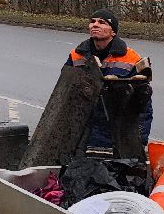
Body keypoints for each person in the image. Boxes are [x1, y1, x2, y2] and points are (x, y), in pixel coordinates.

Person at [64, 9, 153, 150]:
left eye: (102, 22)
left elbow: (143, 104)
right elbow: (65, 95)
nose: (95, 25)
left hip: (114, 134)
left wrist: (140, 140)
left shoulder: (131, 58)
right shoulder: (76, 55)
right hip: (81, 132)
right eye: (92, 21)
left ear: (113, 32)